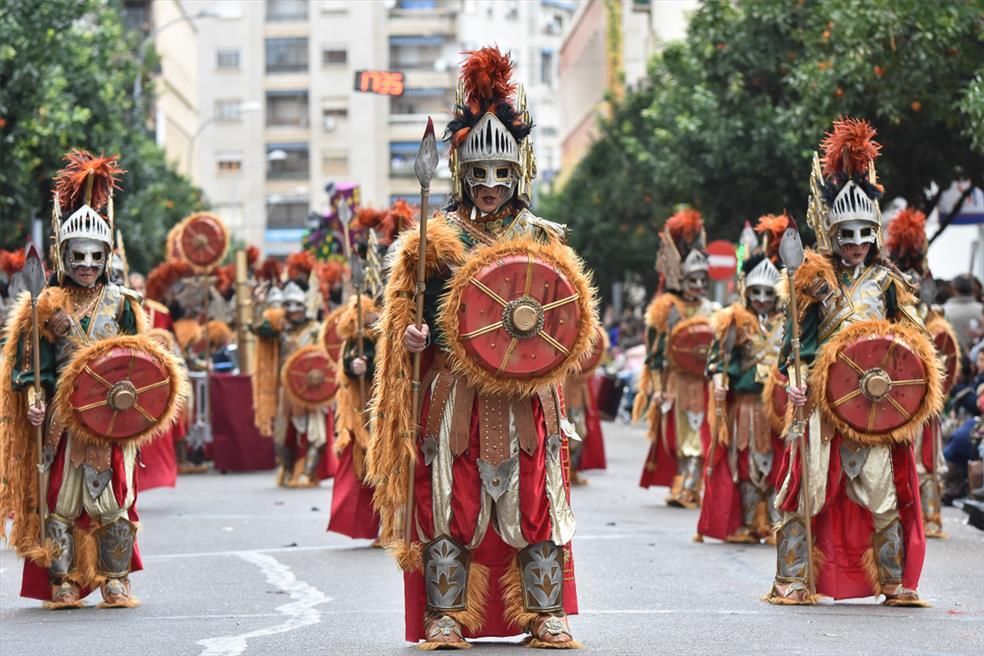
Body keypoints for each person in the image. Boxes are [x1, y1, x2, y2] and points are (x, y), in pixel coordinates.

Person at [367, 47, 596, 649]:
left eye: (501, 172)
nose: (490, 185)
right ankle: (447, 616)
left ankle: (544, 613)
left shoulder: (545, 238)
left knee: (536, 505)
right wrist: (413, 335)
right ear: (460, 172)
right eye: (478, 172)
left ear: (518, 170)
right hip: (455, 397)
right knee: (451, 502)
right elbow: (404, 325)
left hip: (527, 398)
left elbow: (571, 320)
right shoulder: (435, 240)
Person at [766, 118, 941, 607]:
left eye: (864, 235)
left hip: (875, 403)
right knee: (808, 488)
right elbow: (792, 349)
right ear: (834, 233)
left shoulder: (889, 284)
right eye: (847, 235)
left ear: (875, 235)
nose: (855, 244)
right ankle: (794, 580)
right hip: (823, 403)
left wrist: (909, 390)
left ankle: (893, 582)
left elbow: (913, 342)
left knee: (883, 494)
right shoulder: (811, 279)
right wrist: (797, 381)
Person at [0, 150, 185, 608]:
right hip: (63, 418)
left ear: (105, 257)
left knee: (112, 500)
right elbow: (30, 364)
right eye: (77, 255)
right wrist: (33, 397)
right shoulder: (46, 302)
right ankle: (63, 580)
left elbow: (141, 361)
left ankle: (114, 578)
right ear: (65, 255)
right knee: (61, 500)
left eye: (93, 255)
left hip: (112, 416)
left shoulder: (124, 302)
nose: (85, 263)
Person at [698, 214, 788, 544]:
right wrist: (721, 378)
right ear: (747, 292)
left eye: (768, 292)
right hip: (747, 408)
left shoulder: (787, 323)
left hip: (780, 409)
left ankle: (778, 523)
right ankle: (751, 523)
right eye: (757, 292)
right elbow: (717, 360)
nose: (763, 298)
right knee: (749, 466)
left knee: (779, 466)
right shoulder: (733, 321)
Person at [635, 208, 720, 508]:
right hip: (676, 384)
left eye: (702, 280)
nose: (698, 286)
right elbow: (656, 354)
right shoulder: (668, 309)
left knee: (701, 434)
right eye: (691, 280)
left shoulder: (714, 310)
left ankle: (693, 486)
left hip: (705, 384)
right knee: (680, 437)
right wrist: (657, 388)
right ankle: (684, 483)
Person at [254, 281, 329, 487]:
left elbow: (326, 357)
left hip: (312, 388)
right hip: (286, 388)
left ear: (305, 307)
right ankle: (286, 470)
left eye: (296, 306)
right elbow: (259, 329)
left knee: (316, 433)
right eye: (287, 306)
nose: (292, 311)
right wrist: (260, 305)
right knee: (282, 433)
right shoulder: (281, 329)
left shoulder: (315, 329)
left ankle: (307, 472)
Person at [326, 292, 381, 541]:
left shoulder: (383, 335)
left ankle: (391, 529)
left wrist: (368, 365)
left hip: (381, 409)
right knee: (362, 470)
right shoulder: (352, 341)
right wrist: (354, 366)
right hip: (359, 411)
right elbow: (346, 369)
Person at [942, 274, 983, 354]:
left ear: (953, 288)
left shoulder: (944, 311)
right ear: (973, 288)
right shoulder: (981, 310)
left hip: (952, 362)